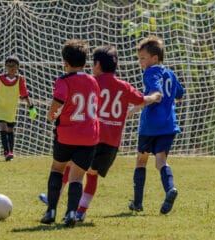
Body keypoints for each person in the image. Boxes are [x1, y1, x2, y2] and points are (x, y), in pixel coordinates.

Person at [39, 46, 161, 221]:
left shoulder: (92, 82)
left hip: (92, 137)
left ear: (96, 64)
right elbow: (141, 99)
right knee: (92, 175)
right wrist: (155, 96)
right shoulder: (123, 86)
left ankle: (54, 200)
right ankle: (80, 211)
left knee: (68, 168)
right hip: (111, 142)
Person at [40, 39, 100, 228]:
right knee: (77, 176)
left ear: (65, 63)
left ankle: (51, 210)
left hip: (66, 134)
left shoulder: (63, 80)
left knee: (57, 168)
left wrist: (51, 113)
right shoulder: (93, 81)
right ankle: (72, 213)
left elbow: (59, 99)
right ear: (85, 63)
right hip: (89, 137)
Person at [128, 35, 184, 214]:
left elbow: (155, 93)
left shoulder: (151, 72)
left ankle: (137, 203)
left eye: (143, 58)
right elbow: (180, 95)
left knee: (141, 161)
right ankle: (170, 189)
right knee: (160, 161)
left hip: (150, 126)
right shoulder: (171, 73)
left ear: (154, 58)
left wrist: (134, 109)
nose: (141, 62)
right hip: (168, 126)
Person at [0, 55, 37, 161]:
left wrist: (31, 107)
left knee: (10, 129)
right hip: (0, 106)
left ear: (18, 67)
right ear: (5, 67)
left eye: (14, 66)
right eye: (9, 65)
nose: (11, 68)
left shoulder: (20, 80)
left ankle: (11, 151)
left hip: (11, 108)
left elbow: (24, 94)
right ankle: (6, 152)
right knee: (3, 127)